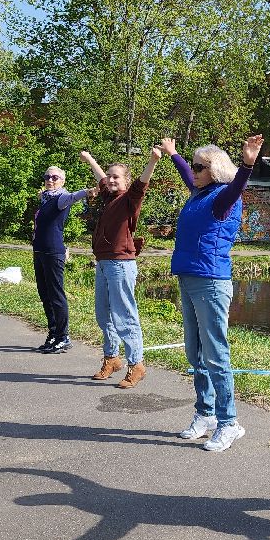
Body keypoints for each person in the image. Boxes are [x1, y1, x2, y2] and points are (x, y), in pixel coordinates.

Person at [162, 134, 261, 451]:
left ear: (214, 170)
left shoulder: (222, 198)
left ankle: (229, 422)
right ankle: (205, 414)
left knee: (216, 355)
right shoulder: (199, 193)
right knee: (195, 353)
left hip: (211, 281)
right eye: (193, 166)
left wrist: (247, 164)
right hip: (189, 278)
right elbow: (185, 174)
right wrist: (174, 154)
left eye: (199, 167)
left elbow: (237, 187)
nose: (193, 171)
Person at [79, 145, 163, 388]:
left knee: (124, 315)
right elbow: (101, 178)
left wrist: (153, 160)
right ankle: (112, 358)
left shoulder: (129, 200)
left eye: (116, 177)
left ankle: (136, 364)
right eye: (110, 176)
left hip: (121, 264)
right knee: (103, 314)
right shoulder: (109, 197)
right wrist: (90, 159)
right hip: (103, 263)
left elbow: (142, 184)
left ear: (126, 181)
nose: (111, 180)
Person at [30, 165, 91, 353]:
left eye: (55, 177)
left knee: (56, 296)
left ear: (62, 181)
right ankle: (53, 333)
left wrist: (87, 191)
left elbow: (73, 197)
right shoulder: (45, 198)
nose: (50, 180)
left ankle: (63, 337)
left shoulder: (61, 198)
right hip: (40, 251)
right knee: (45, 295)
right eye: (47, 176)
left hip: (53, 252)